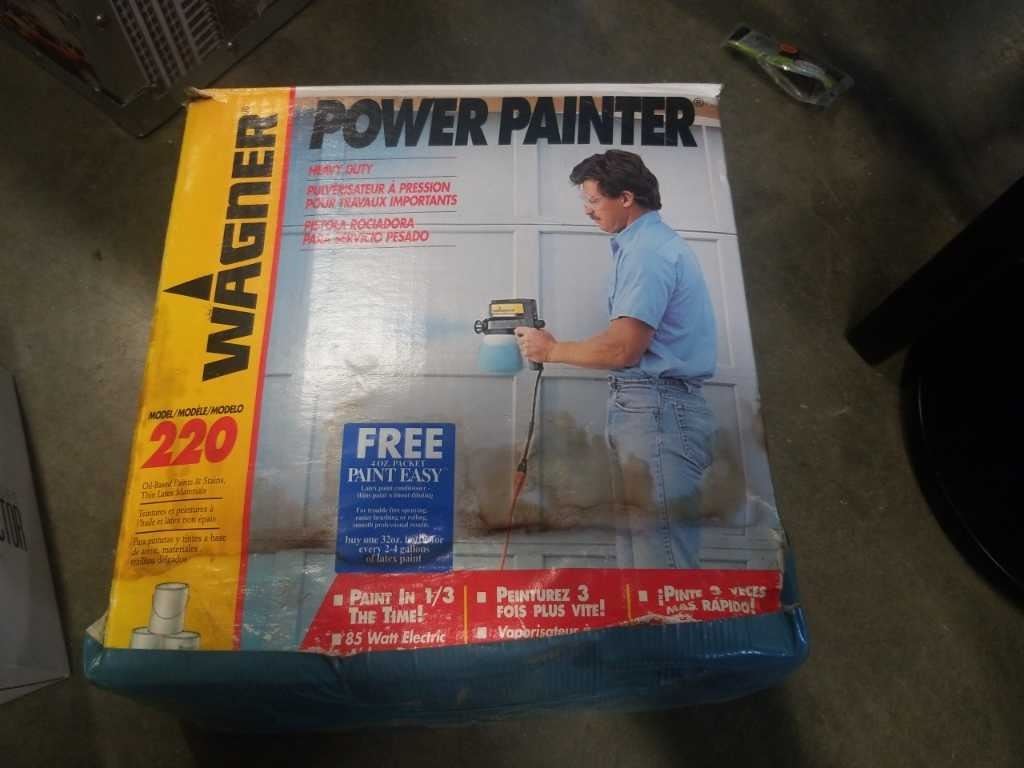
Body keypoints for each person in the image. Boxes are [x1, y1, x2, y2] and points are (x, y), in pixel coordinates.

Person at [514, 149, 717, 568]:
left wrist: (551, 350)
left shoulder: (647, 253)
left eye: (593, 200)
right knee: (641, 561)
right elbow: (622, 342)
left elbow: (623, 348)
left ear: (625, 198)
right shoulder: (646, 246)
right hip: (650, 409)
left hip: (657, 411)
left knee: (659, 562)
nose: (587, 211)